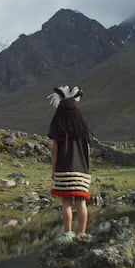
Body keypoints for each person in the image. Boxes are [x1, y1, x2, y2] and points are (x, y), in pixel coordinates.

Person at [47, 85, 92, 233]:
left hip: (63, 170)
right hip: (82, 171)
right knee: (81, 202)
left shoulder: (57, 128)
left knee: (66, 202)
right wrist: (86, 168)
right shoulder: (83, 129)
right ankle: (82, 233)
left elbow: (54, 151)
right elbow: (88, 150)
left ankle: (67, 233)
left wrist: (53, 170)